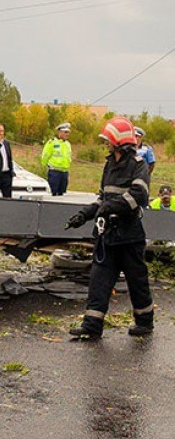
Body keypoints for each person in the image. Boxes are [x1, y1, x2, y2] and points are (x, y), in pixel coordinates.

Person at [66, 117, 153, 339]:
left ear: (119, 142)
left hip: (129, 235)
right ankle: (92, 326)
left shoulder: (139, 165)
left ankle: (144, 322)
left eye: (108, 140)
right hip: (108, 236)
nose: (106, 144)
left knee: (137, 281)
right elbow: (102, 197)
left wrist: (109, 207)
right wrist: (84, 215)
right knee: (98, 280)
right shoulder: (109, 165)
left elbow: (138, 196)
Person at [41, 123, 72, 196]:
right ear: (60, 132)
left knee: (62, 194)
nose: (67, 134)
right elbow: (45, 155)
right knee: (53, 193)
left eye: (68, 132)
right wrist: (45, 166)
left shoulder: (68, 144)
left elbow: (68, 157)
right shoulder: (52, 142)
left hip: (64, 173)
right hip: (54, 172)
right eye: (65, 132)